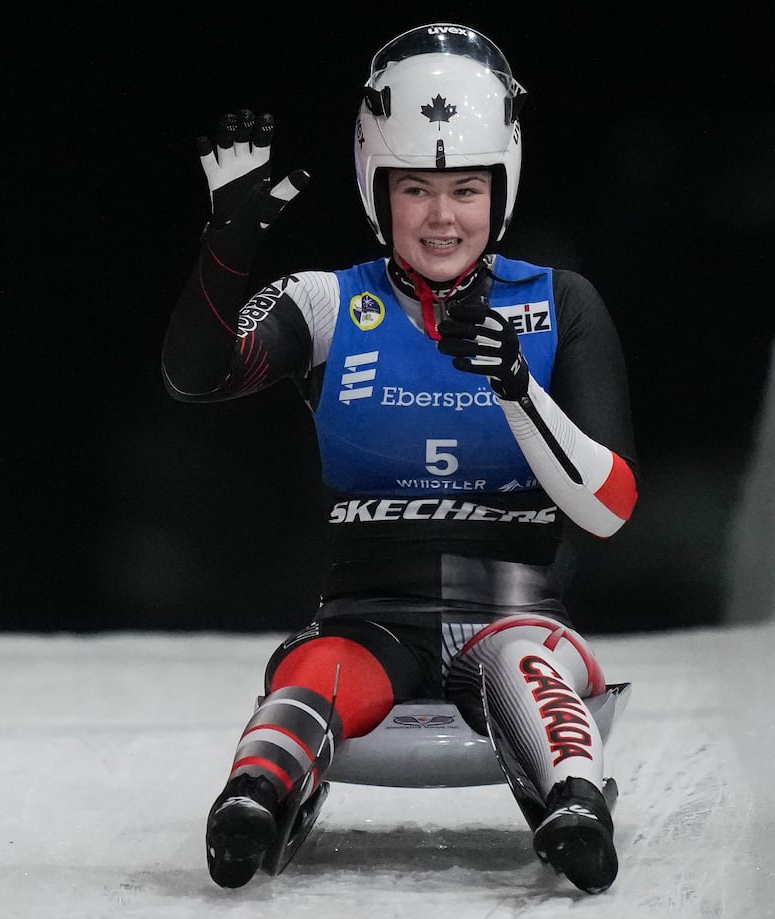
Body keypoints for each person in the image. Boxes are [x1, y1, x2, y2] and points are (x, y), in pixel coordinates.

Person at [162, 22, 639, 894]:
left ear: (502, 187)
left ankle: (573, 802)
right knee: (316, 667)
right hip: (364, 622)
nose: (442, 216)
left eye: (464, 188)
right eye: (416, 188)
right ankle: (254, 795)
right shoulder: (327, 301)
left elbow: (609, 507)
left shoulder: (561, 304)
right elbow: (198, 376)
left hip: (516, 617)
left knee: (522, 666)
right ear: (377, 191)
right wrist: (227, 245)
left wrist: (518, 391)